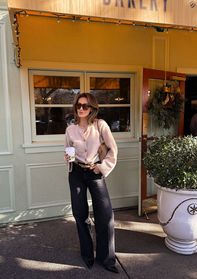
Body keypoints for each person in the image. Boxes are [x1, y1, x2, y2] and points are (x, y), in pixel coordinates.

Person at [64, 92, 118, 273]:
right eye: (78, 105)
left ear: (92, 108)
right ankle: (87, 255)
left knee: (105, 215)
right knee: (80, 215)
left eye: (85, 106)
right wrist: (68, 157)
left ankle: (107, 259)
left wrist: (102, 167)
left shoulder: (100, 125)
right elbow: (69, 150)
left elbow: (112, 149)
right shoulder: (70, 129)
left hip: (95, 172)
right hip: (77, 173)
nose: (80, 109)